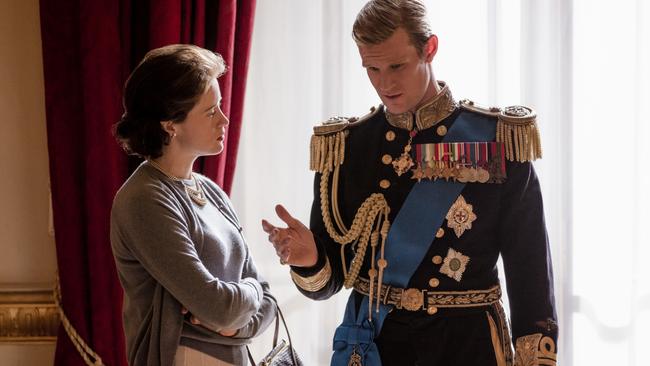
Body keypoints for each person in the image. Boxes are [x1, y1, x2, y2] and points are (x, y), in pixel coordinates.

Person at [262, 1, 558, 365]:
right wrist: (307, 259)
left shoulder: (497, 141)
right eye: (372, 68)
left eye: (397, 66)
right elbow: (331, 280)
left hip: (469, 347)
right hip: (379, 345)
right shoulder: (348, 146)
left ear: (429, 48)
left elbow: (530, 273)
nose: (384, 83)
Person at [111, 44, 275, 366]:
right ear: (170, 124)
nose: (225, 120)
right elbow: (220, 308)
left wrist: (236, 322)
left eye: (221, 107)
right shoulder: (145, 199)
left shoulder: (211, 192)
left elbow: (267, 301)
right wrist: (249, 294)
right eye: (211, 111)